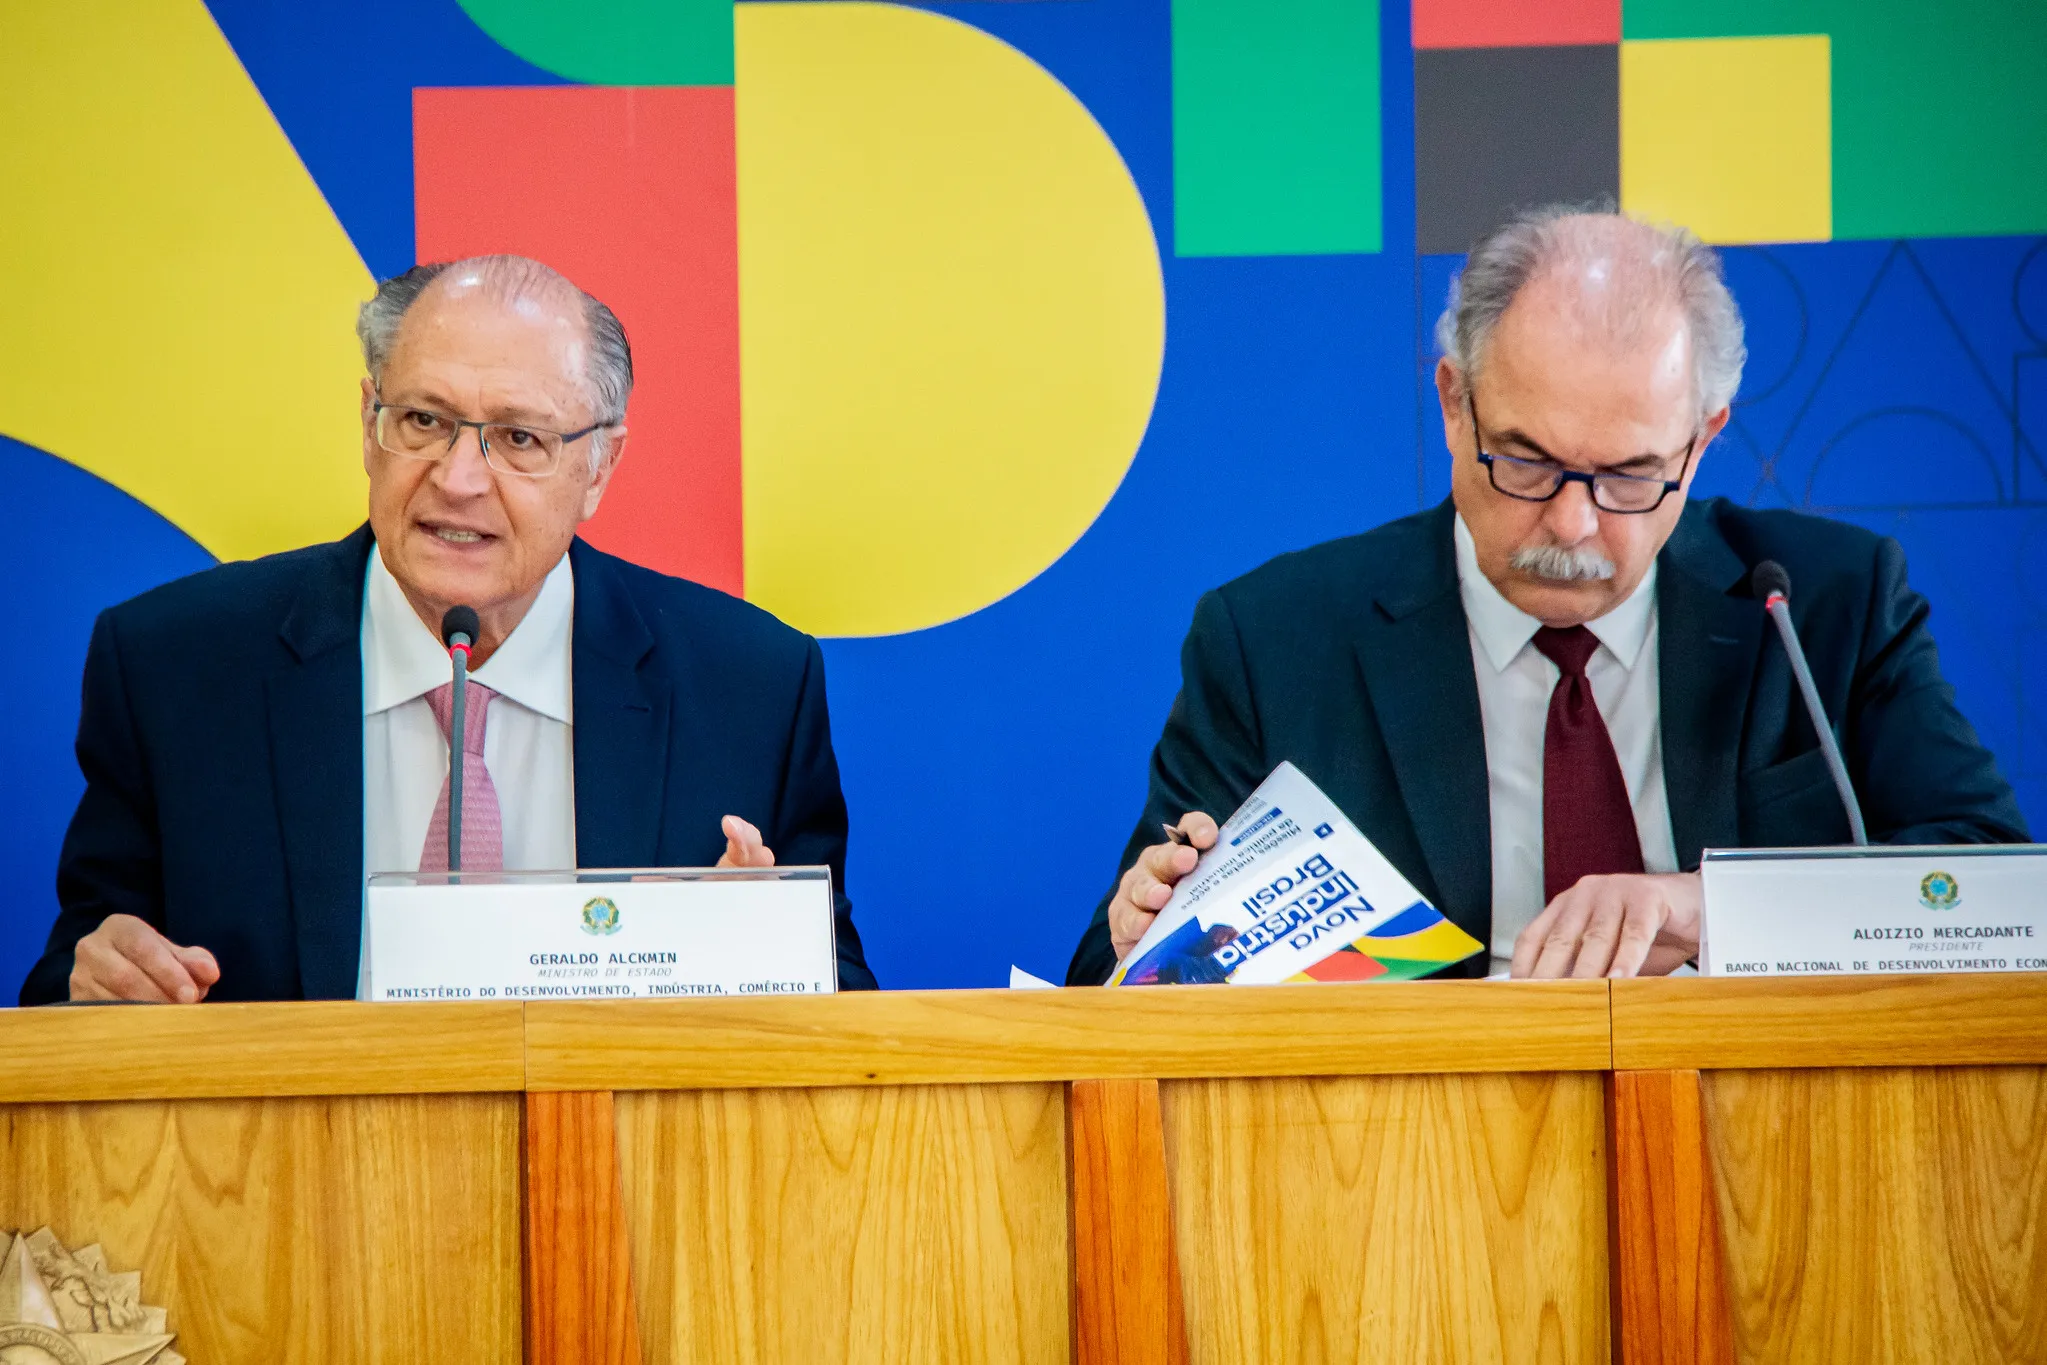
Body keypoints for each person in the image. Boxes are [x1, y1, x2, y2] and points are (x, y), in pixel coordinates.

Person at [1068, 208, 2028, 985]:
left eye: (1627, 475)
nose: (1571, 526)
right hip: (1404, 1170)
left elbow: (1989, 889)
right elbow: (1107, 996)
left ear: (1700, 442)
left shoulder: (1822, 605)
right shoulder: (1276, 639)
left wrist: (1705, 907)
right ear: (1454, 403)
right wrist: (1145, 929)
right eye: (1525, 461)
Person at [23, 255, 874, 1004]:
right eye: (424, 421)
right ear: (369, 423)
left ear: (599, 466)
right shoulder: (175, 669)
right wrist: (98, 979)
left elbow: (845, 1020)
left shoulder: (750, 688)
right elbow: (75, 978)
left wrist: (758, 961)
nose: (458, 479)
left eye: (517, 436)